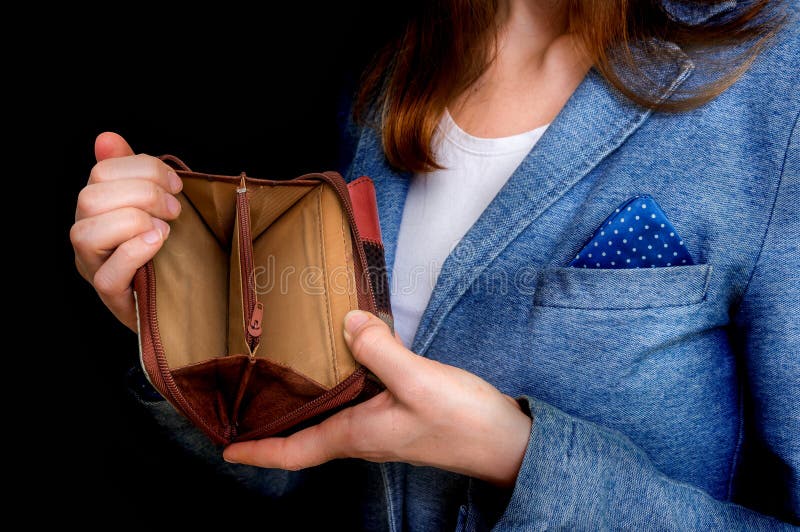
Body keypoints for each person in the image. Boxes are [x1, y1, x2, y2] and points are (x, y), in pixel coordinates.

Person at [71, 0, 799, 529]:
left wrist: (516, 455)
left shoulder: (776, 71)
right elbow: (309, 461)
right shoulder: (397, 62)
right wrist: (171, 319)